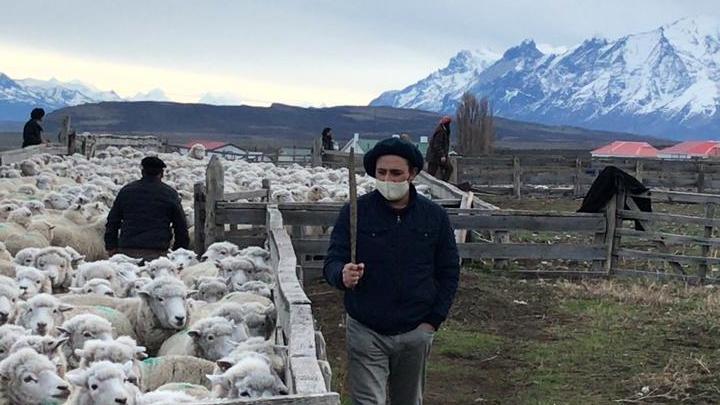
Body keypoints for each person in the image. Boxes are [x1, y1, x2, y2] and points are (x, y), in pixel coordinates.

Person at [323, 137, 460, 405]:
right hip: (366, 329)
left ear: (412, 174)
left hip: (415, 331)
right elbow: (332, 260)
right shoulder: (355, 212)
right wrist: (342, 274)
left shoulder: (434, 217)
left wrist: (433, 321)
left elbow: (449, 270)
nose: (388, 179)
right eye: (382, 172)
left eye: (396, 173)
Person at [104, 156, 189, 263]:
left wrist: (111, 246)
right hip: (158, 253)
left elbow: (112, 221)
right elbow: (180, 225)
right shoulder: (169, 193)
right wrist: (178, 251)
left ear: (142, 172)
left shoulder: (126, 191)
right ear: (161, 173)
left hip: (128, 252)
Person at [426, 116, 453, 181]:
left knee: (448, 168)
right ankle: (443, 182)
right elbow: (437, 145)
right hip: (435, 156)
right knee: (431, 173)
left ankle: (444, 182)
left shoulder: (443, 130)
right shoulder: (441, 131)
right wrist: (442, 155)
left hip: (436, 156)